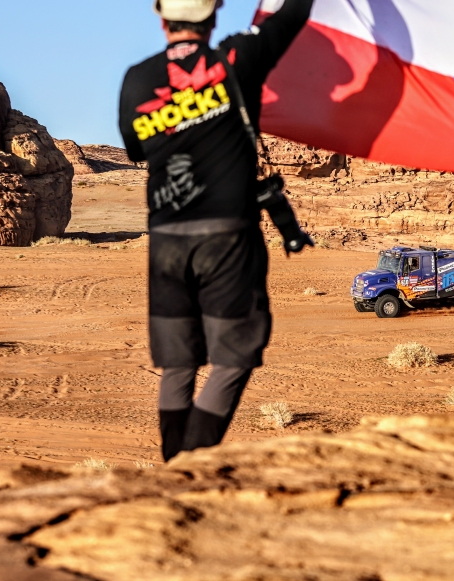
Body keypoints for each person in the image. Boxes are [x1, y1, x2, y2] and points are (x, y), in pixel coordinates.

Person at [119, 0, 314, 461]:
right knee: (235, 355)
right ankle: (190, 464)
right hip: (228, 236)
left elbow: (136, 149)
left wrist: (177, 116)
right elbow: (295, 12)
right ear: (213, 17)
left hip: (167, 239)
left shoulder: (137, 77)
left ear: (161, 19)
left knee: (178, 362)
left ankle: (175, 468)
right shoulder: (237, 58)